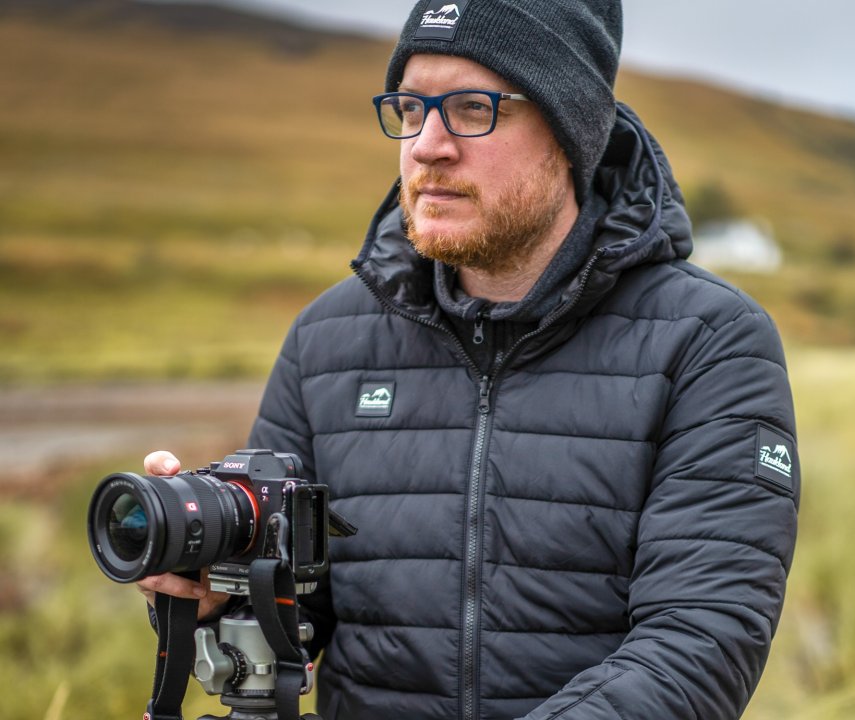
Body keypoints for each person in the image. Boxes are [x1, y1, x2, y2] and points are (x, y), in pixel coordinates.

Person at [138, 1, 801, 718]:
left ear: (572, 130)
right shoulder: (326, 342)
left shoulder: (708, 343)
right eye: (410, 108)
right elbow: (295, 616)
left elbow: (699, 647)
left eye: (472, 109)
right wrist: (217, 597)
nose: (428, 146)